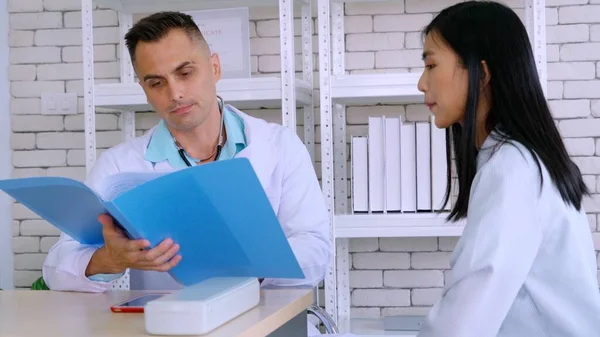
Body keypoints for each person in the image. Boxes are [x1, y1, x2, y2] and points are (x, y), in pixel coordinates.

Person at [42, 11, 331, 299]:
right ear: (144, 90)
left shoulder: (280, 146)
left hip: (264, 322)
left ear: (215, 68)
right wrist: (110, 259)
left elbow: (316, 252)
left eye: (185, 73)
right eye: (156, 83)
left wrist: (248, 260)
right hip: (167, 325)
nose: (175, 93)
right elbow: (57, 268)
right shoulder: (118, 165)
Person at [415, 1, 600, 336]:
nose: (421, 84)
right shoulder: (523, 159)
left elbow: (462, 323)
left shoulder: (512, 169)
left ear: (481, 74)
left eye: (431, 65)